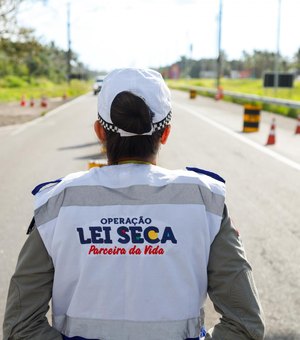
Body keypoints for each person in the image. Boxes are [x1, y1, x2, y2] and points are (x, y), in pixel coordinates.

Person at [3, 68, 265, 340]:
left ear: (99, 133)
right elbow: (245, 324)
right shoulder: (204, 201)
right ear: (165, 134)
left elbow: (20, 327)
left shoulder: (56, 203)